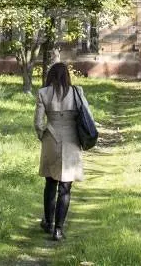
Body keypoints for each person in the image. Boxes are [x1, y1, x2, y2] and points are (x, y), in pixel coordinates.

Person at [34, 62, 91, 241]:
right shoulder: (77, 92)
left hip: (51, 138)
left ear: (51, 75)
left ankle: (48, 223)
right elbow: (88, 116)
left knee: (50, 182)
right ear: (67, 75)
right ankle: (58, 230)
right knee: (65, 187)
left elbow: (38, 123)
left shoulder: (43, 93)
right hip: (72, 139)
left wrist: (42, 136)